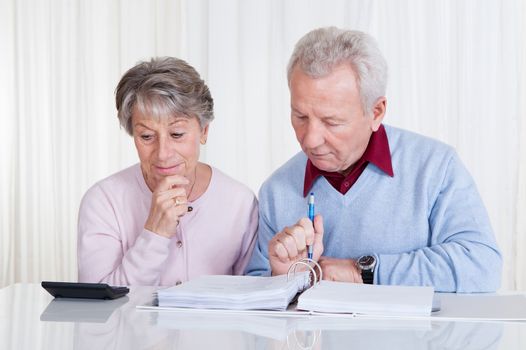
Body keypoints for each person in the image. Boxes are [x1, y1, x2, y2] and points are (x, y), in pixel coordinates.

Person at [245, 27, 502, 292]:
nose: (309, 140)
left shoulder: (436, 167)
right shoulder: (276, 190)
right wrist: (283, 277)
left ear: (376, 112)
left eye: (331, 122)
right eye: (300, 116)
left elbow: (482, 267)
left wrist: (361, 271)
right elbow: (252, 297)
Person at [78, 57, 258, 286]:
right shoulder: (103, 202)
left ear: (203, 131)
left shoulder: (239, 202)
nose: (163, 153)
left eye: (177, 134)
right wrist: (154, 233)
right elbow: (95, 305)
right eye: (146, 137)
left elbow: (254, 299)